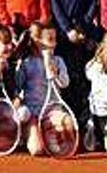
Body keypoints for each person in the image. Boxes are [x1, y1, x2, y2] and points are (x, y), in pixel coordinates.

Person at [49, 0, 99, 126]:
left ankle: (85, 119)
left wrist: (82, 28)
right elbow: (55, 4)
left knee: (83, 77)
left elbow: (92, 2)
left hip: (83, 34)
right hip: (63, 35)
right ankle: (68, 119)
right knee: (66, 77)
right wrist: (68, 29)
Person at [16, 23, 70, 156]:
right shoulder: (27, 63)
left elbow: (64, 84)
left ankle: (50, 133)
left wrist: (55, 71)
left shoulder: (58, 61)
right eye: (50, 40)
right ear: (37, 41)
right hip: (34, 113)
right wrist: (17, 67)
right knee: (37, 150)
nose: (54, 44)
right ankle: (27, 133)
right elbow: (17, 86)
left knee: (68, 123)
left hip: (53, 111)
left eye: (55, 39)